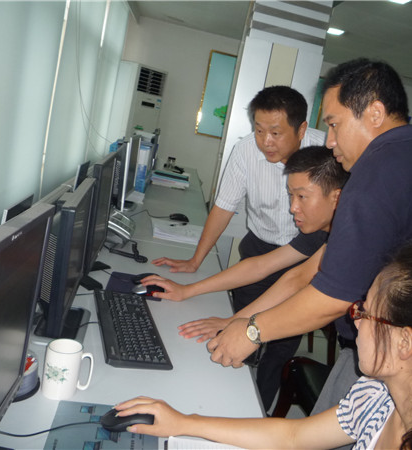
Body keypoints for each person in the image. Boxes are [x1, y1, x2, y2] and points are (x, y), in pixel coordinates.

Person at [204, 58, 412, 420]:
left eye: (335, 124)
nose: (331, 141)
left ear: (375, 113)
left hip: (385, 360)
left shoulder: (374, 171)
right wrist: (239, 320)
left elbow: (332, 296)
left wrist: (252, 332)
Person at [115, 242, 412, 450]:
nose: (354, 320)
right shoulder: (380, 395)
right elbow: (295, 435)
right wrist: (183, 421)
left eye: (365, 312)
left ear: (405, 343)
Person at [142, 146, 348, 411]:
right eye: (290, 195)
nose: (292, 207)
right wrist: (188, 291)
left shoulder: (354, 236)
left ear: (336, 197)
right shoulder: (325, 231)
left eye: (302, 196)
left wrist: (246, 327)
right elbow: (270, 268)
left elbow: (309, 294)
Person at [152, 86, 325, 305]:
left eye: (275, 133)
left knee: (288, 322)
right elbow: (223, 208)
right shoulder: (245, 150)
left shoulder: (327, 151)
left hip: (310, 254)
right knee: (242, 314)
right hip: (260, 248)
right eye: (259, 131)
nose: (266, 142)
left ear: (301, 130)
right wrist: (195, 261)